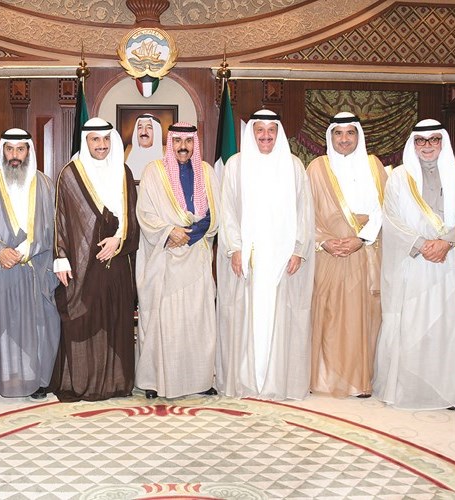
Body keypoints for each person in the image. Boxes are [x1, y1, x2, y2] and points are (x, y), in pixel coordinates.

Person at [373, 119, 455, 410]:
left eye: (434, 140)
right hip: (414, 262)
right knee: (411, 326)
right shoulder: (399, 177)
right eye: (421, 140)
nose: (428, 146)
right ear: (414, 144)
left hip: (449, 260)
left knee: (446, 326)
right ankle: (409, 391)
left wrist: (445, 243)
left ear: (443, 142)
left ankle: (444, 393)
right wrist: (422, 244)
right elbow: (391, 219)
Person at [216, 109, 315, 400]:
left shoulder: (294, 166)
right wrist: (234, 248)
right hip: (249, 257)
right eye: (260, 130)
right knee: (246, 317)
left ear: (278, 133)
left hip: (282, 259)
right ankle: (245, 380)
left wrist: (298, 249)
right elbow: (227, 210)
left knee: (280, 318)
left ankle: (277, 381)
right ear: (252, 132)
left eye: (271, 130)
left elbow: (304, 211)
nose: (266, 136)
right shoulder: (236, 165)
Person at [50, 118, 139, 402]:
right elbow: (60, 218)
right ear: (85, 142)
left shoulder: (123, 171)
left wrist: (118, 241)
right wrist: (61, 257)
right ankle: (82, 381)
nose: (101, 145)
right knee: (84, 320)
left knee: (115, 319)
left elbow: (132, 215)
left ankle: (115, 382)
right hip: (82, 263)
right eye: (95, 140)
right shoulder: (70, 174)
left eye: (106, 139)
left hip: (117, 261)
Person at [0, 129, 60, 401]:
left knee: (36, 324)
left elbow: (52, 225)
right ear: (2, 151)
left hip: (34, 265)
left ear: (29, 151)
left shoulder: (45, 185)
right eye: (10, 149)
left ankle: (38, 379)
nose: (15, 155)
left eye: (21, 149)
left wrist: (27, 250)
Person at [135, 122, 220, 399]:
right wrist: (170, 232)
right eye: (178, 141)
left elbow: (215, 214)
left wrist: (189, 235)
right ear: (169, 143)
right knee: (163, 321)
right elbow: (145, 213)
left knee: (197, 320)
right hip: (165, 257)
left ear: (195, 143)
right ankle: (155, 381)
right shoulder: (153, 172)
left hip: (196, 256)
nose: (183, 147)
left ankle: (199, 380)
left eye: (188, 141)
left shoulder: (206, 172)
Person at [307, 112, 387, 398]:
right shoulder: (317, 168)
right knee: (329, 314)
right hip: (328, 253)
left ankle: (359, 379)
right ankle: (325, 378)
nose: (344, 139)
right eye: (338, 133)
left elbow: (384, 209)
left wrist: (361, 239)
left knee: (364, 316)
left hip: (365, 251)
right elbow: (305, 212)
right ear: (330, 136)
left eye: (350, 133)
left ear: (358, 136)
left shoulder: (374, 165)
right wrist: (324, 242)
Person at [124, 114, 163, 180]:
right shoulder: (128, 158)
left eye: (149, 127)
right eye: (140, 127)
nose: (143, 132)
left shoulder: (164, 161)